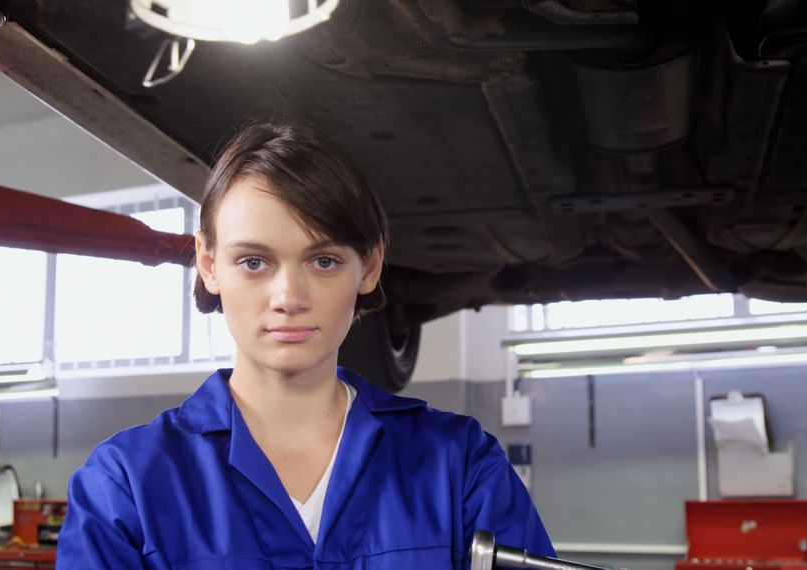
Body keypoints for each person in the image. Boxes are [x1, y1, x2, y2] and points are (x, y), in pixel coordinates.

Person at [56, 122, 553, 568]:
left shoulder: (459, 466)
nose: (289, 298)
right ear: (208, 264)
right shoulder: (126, 485)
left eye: (324, 262)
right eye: (253, 262)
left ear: (371, 266)